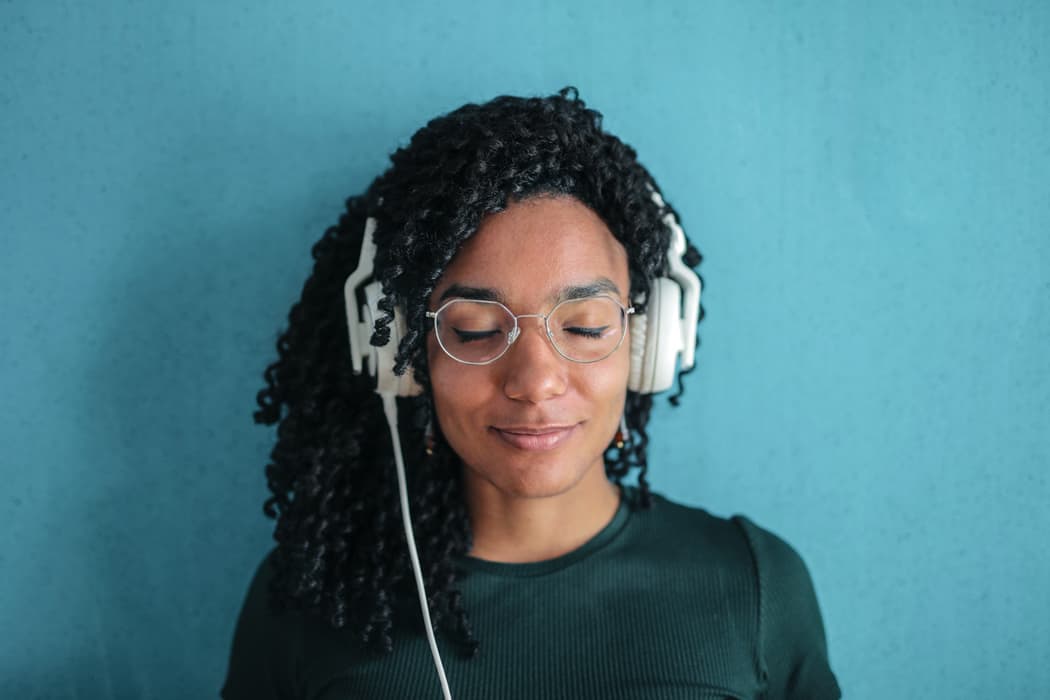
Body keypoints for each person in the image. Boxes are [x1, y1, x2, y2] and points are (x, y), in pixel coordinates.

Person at [221, 88, 841, 699]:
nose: (537, 381)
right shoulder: (309, 596)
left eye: (585, 326)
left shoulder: (754, 584)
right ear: (401, 353)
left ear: (648, 343)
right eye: (476, 329)